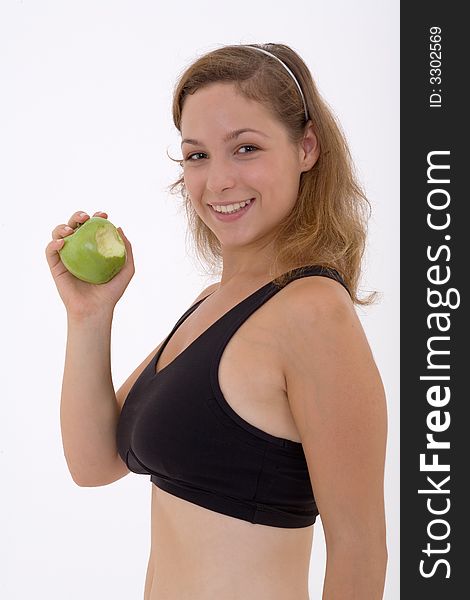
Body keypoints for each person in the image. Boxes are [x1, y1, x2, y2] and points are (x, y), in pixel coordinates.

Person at [45, 43, 388, 600]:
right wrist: (89, 315)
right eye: (197, 155)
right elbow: (93, 463)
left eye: (245, 148)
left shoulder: (314, 313)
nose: (219, 181)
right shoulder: (214, 302)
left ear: (306, 148)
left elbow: (360, 548)